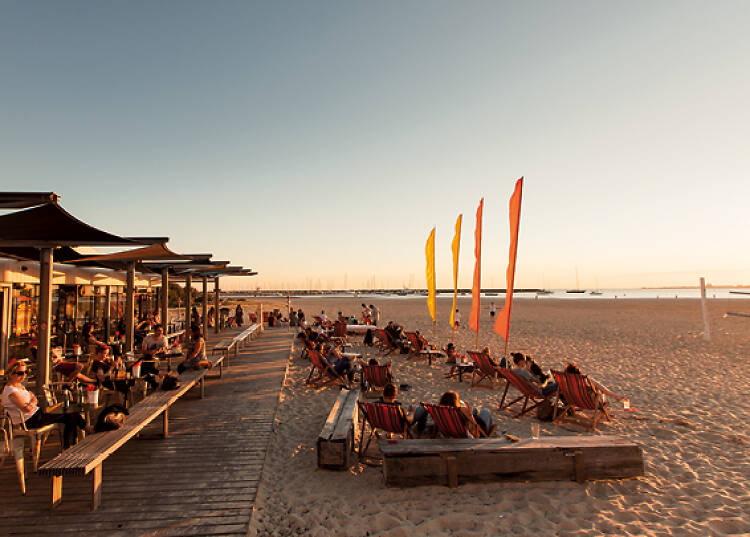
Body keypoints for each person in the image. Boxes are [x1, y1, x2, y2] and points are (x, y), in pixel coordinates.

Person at [2, 361, 92, 448]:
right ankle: (79, 437)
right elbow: (28, 408)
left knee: (70, 411)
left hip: (37, 414)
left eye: (26, 372)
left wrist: (32, 400)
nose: (24, 375)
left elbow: (30, 402)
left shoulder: (19, 386)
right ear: (11, 374)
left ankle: (71, 444)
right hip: (31, 420)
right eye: (20, 373)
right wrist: (33, 400)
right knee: (70, 415)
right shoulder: (11, 392)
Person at [412, 391, 494, 437]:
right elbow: (477, 434)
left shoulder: (437, 412)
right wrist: (471, 416)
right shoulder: (460, 414)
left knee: (476, 410)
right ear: (456, 403)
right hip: (466, 438)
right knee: (485, 412)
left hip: (446, 433)